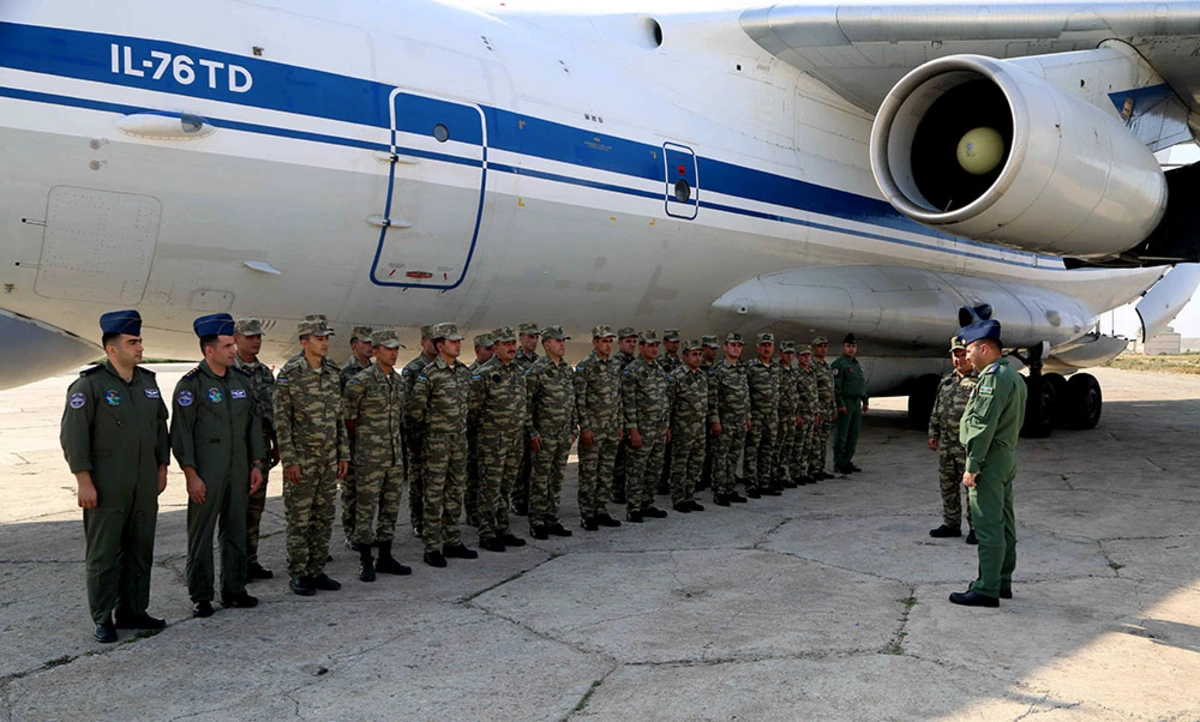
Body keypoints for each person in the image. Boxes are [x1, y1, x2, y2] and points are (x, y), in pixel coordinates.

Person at [60, 309, 169, 643]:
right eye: (132, 342)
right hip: (106, 484)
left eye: (139, 341)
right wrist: (83, 481)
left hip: (144, 482)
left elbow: (159, 429)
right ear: (112, 349)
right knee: (104, 553)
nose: (139, 347)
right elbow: (73, 437)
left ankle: (134, 610)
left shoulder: (148, 383)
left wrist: (162, 468)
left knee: (140, 549)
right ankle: (103, 617)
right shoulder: (88, 386)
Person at [171, 313, 265, 618]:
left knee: (236, 529)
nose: (233, 350)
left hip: (238, 468)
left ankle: (235, 589)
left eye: (232, 344)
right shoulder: (190, 385)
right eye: (226, 345)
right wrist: (190, 475)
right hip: (206, 470)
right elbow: (181, 434)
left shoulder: (241, 381)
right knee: (201, 533)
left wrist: (256, 463)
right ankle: (201, 595)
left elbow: (252, 425)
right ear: (208, 350)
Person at [950, 319, 1027, 608]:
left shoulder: (992, 378)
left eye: (969, 350)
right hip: (1006, 456)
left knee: (987, 524)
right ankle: (1002, 580)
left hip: (989, 460)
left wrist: (972, 465)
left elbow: (982, 424)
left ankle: (986, 587)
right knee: (1005, 522)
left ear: (984, 348)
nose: (967, 356)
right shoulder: (1013, 375)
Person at [274, 315, 350, 596]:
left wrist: (343, 454)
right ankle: (299, 573)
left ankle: (317, 569)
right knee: (299, 518)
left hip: (329, 458)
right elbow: (282, 420)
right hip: (303, 459)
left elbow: (339, 417)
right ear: (304, 342)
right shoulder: (290, 373)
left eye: (327, 338)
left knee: (324, 515)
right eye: (319, 338)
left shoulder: (332, 371)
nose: (325, 343)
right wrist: (290, 460)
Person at [343, 329, 411, 581]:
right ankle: (365, 560)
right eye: (388, 348)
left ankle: (385, 556)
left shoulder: (398, 381)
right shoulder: (360, 381)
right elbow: (348, 418)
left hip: (394, 457)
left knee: (391, 508)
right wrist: (363, 444)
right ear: (375, 351)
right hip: (369, 458)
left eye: (396, 349)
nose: (393, 353)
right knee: (365, 509)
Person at [408, 322, 477, 567]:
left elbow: (470, 407)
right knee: (433, 496)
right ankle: (431, 546)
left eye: (459, 340)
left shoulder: (463, 372)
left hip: (458, 443)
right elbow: (415, 412)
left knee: (455, 493)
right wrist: (422, 442)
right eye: (453, 341)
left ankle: (452, 540)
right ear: (440, 345)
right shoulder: (430, 374)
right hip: (435, 445)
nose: (458, 344)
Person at [469, 326, 529, 551]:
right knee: (490, 487)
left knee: (506, 486)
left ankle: (503, 528)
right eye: (506, 344)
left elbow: (523, 403)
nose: (512, 348)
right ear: (495, 348)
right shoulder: (483, 374)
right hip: (492, 440)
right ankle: (486, 532)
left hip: (514, 440)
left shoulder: (519, 371)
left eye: (512, 343)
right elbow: (473, 410)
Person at [233, 318, 279, 581]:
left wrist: (276, 443)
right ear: (236, 338)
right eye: (250, 337)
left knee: (254, 510)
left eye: (258, 336)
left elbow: (271, 411)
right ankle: (234, 563)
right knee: (235, 511)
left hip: (259, 452)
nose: (256, 341)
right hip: (236, 452)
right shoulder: (227, 370)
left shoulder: (264, 373)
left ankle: (250, 561)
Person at [526, 326, 577, 539]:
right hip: (544, 434)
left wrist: (574, 427)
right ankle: (537, 520)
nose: (562, 344)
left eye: (563, 340)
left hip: (564, 434)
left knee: (557, 479)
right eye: (558, 341)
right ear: (547, 345)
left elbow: (571, 400)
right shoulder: (537, 370)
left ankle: (551, 517)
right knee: (540, 478)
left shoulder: (566, 369)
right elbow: (527, 403)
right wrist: (532, 431)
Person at [928, 336, 979, 543]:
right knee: (947, 485)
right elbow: (937, 409)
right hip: (947, 445)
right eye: (955, 356)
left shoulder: (979, 381)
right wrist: (933, 433)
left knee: (973, 489)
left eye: (963, 355)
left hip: (967, 446)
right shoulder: (947, 381)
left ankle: (976, 528)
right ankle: (951, 524)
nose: (959, 360)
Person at [574, 325, 624, 531]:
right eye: (604, 341)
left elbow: (618, 397)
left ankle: (601, 510)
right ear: (595, 342)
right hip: (593, 429)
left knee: (606, 472)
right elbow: (580, 399)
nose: (608, 345)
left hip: (611, 428)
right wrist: (584, 428)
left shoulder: (614, 365)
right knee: (589, 473)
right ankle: (587, 513)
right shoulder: (586, 367)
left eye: (610, 341)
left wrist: (619, 424)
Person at [620, 330, 670, 522]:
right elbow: (629, 402)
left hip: (657, 429)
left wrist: (665, 426)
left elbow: (663, 399)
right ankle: (633, 508)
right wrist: (632, 430)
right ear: (641, 347)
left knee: (654, 469)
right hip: (641, 429)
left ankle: (647, 503)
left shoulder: (658, 369)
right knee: (636, 470)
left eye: (656, 345)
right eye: (650, 345)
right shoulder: (633, 370)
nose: (654, 349)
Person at [338, 325, 374, 551]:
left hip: (372, 443)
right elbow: (342, 410)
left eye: (372, 343)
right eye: (365, 342)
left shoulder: (377, 371)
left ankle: (365, 532)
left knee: (368, 492)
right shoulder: (345, 373)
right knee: (350, 491)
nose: (370, 346)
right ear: (354, 345)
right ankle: (351, 533)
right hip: (352, 441)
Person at [402, 325, 438, 538]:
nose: (435, 344)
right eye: (431, 340)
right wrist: (412, 437)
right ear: (423, 342)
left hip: (439, 437)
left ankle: (434, 521)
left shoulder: (444, 367)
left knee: (436, 484)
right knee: (418, 482)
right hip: (420, 435)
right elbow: (409, 406)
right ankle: (418, 521)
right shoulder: (414, 368)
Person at [708, 333, 750, 507]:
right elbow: (712, 398)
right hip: (724, 421)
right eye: (733, 345)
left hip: (739, 420)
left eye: (739, 345)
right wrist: (715, 421)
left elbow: (746, 394)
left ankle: (730, 488)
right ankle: (719, 491)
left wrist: (748, 416)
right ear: (725, 347)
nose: (736, 348)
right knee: (721, 457)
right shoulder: (718, 370)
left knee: (733, 457)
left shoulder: (741, 369)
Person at [667, 339, 709, 513]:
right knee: (680, 464)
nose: (698, 358)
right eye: (694, 354)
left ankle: (689, 496)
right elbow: (668, 404)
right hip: (682, 429)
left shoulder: (702, 376)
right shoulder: (676, 377)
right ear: (685, 356)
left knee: (695, 464)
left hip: (699, 429)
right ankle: (678, 498)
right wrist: (668, 426)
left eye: (700, 354)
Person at [744, 332, 781, 498]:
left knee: (768, 450)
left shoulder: (775, 368)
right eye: (763, 345)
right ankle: (751, 484)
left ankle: (765, 481)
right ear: (757, 347)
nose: (766, 348)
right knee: (752, 451)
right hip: (757, 416)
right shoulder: (750, 367)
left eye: (769, 345)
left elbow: (777, 393)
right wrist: (748, 415)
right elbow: (745, 393)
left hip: (771, 417)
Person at [464, 332, 495, 528]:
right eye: (487, 349)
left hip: (490, 435)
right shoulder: (471, 373)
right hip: (475, 434)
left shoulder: (495, 372)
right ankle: (472, 512)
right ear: (477, 351)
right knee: (473, 475)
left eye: (493, 348)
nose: (491, 352)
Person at [511, 323, 541, 516]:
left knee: (533, 462)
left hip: (536, 417)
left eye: (536, 337)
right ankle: (518, 499)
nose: (533, 340)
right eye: (530, 337)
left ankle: (531, 498)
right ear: (521, 338)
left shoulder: (540, 361)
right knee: (519, 465)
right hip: (519, 418)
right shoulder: (515, 361)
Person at [831, 333, 868, 474]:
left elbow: (861, 384)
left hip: (856, 402)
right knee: (842, 434)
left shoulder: (856, 364)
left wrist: (865, 401)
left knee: (854, 433)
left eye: (853, 346)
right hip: (846, 402)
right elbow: (836, 386)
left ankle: (848, 460)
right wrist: (840, 404)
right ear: (843, 347)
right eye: (848, 346)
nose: (851, 349)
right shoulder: (839, 364)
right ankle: (839, 462)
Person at [611, 326, 638, 505]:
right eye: (628, 341)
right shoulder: (614, 364)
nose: (631, 345)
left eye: (634, 341)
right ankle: (617, 490)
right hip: (619, 415)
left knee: (632, 457)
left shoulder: (636, 364)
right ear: (619, 343)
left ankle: (629, 489)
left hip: (634, 415)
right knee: (619, 458)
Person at [809, 336, 837, 480]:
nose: (823, 349)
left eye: (825, 346)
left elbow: (831, 390)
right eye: (820, 346)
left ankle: (820, 467)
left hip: (827, 410)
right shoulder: (812, 367)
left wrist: (833, 409)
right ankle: (813, 469)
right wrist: (815, 410)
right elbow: (811, 390)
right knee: (815, 441)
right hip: (818, 410)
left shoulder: (826, 366)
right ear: (814, 349)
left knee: (823, 440)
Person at [774, 341, 801, 489]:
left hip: (791, 415)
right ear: (781, 354)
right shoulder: (776, 371)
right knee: (777, 447)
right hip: (780, 415)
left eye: (791, 353)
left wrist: (797, 414)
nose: (789, 356)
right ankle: (774, 476)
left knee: (788, 447)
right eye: (786, 353)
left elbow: (795, 394)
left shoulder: (793, 371)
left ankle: (784, 474)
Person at [697, 335, 722, 492]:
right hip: (697, 414)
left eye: (715, 349)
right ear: (704, 348)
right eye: (710, 348)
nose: (713, 352)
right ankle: (698, 478)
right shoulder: (698, 367)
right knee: (699, 450)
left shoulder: (717, 368)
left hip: (712, 412)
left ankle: (708, 476)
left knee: (713, 448)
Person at [792, 344, 819, 485]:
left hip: (811, 414)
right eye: (803, 355)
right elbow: (794, 396)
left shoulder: (812, 373)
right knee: (798, 446)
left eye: (808, 355)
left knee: (807, 446)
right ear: (798, 357)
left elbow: (815, 395)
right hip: (802, 415)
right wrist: (797, 414)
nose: (806, 357)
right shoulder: (796, 374)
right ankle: (795, 473)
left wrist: (816, 413)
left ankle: (803, 471)